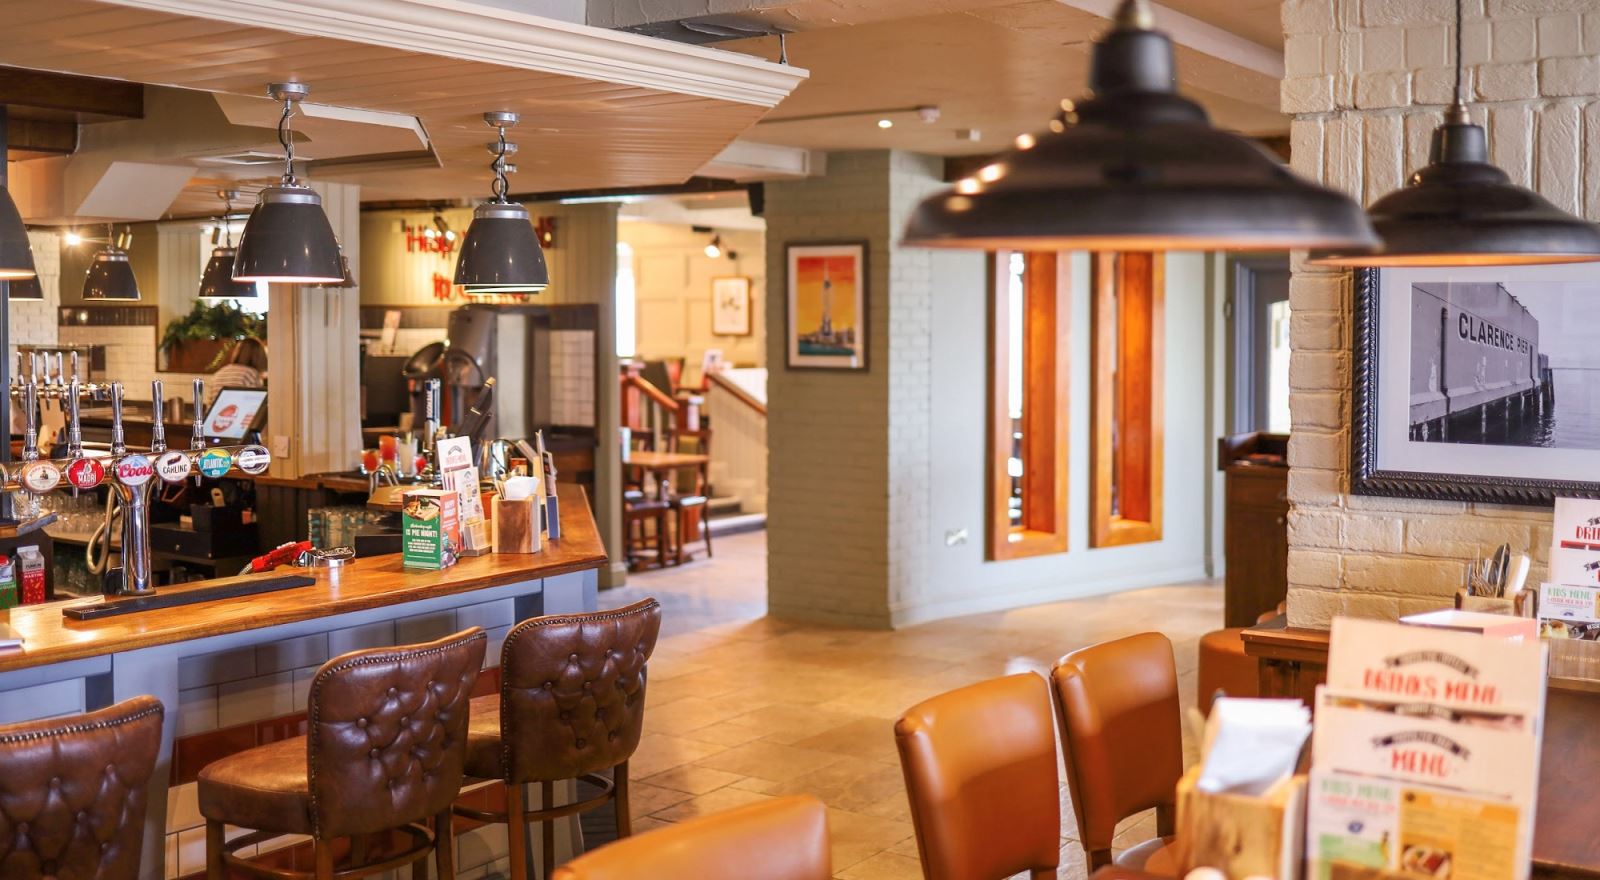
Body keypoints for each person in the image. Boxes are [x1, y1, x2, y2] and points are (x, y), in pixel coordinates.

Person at [208, 337, 267, 405]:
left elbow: (210, 403)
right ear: (259, 356)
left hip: (215, 414)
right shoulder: (251, 373)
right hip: (237, 413)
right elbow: (256, 404)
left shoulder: (220, 372)